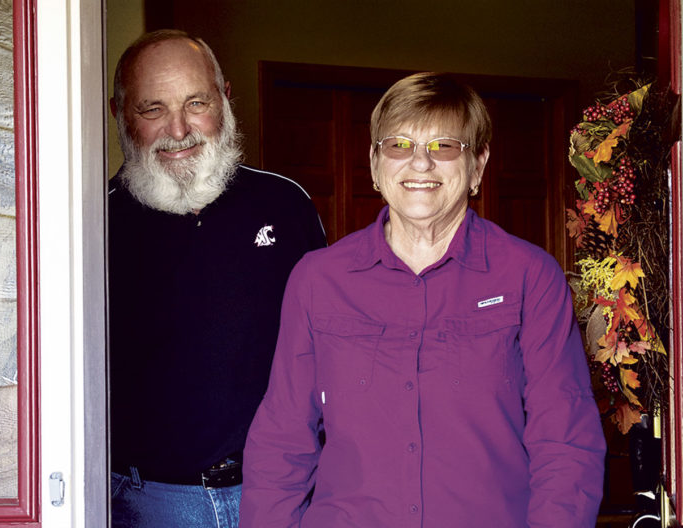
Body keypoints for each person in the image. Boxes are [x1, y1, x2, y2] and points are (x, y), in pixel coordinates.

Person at [240, 72, 606, 527]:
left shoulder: (530, 277)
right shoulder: (317, 280)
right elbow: (281, 441)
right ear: (375, 164)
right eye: (399, 146)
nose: (420, 164)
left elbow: (565, 440)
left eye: (444, 147)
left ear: (478, 166)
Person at [107, 30, 326, 528]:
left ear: (225, 99)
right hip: (148, 503)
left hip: (285, 492)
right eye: (152, 109)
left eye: (196, 103)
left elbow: (328, 344)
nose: (179, 129)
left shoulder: (286, 203)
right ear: (119, 114)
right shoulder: (92, 228)